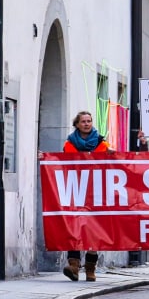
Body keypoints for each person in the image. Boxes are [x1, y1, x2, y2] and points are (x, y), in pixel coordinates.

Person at [61, 111, 107, 282]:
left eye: (89, 121)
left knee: (94, 231)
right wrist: (46, 158)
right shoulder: (69, 144)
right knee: (74, 228)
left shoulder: (102, 143)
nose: (87, 124)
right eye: (83, 121)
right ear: (77, 124)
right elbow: (61, 163)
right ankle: (73, 266)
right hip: (76, 190)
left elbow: (112, 163)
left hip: (97, 191)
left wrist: (112, 153)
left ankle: (90, 268)